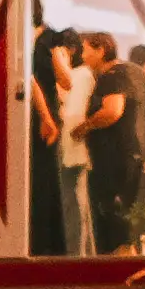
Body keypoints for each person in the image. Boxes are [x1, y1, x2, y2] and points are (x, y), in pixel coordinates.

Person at [76, 29, 145, 255]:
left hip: (113, 159)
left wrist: (85, 126)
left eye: (85, 50)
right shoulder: (126, 73)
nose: (81, 55)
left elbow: (112, 111)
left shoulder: (111, 76)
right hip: (126, 156)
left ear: (101, 50)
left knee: (114, 218)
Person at [33, 31, 99, 257]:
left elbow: (71, 107)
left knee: (73, 207)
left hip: (71, 146)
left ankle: (77, 255)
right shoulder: (84, 74)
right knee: (79, 206)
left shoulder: (80, 75)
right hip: (75, 147)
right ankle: (85, 254)